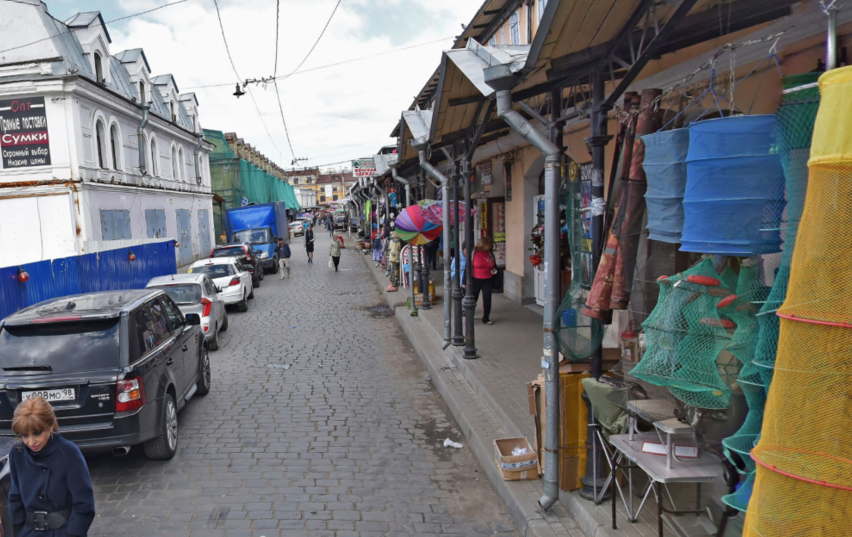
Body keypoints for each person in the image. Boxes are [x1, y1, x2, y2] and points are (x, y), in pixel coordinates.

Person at [9, 397, 95, 537]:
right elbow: (15, 498)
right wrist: (19, 531)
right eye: (24, 435)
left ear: (49, 426)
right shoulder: (17, 453)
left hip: (63, 532)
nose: (31, 442)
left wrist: (73, 534)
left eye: (37, 433)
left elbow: (84, 503)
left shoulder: (69, 452)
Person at [472, 237, 497, 325]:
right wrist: (464, 282)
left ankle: (486, 318)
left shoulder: (489, 253)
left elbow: (494, 265)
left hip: (488, 279)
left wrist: (494, 270)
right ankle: (470, 316)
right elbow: (467, 267)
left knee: (487, 298)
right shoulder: (474, 253)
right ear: (483, 245)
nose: (489, 246)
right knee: (473, 298)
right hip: (476, 279)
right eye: (488, 245)